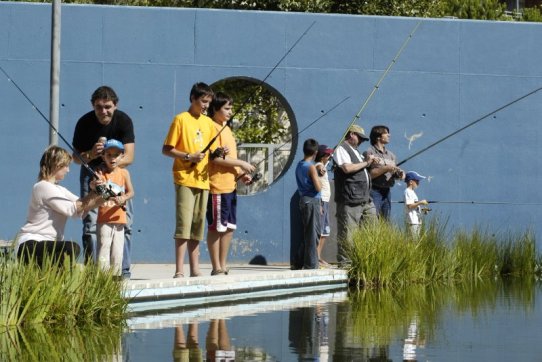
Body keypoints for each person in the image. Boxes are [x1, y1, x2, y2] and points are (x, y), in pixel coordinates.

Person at [72, 86, 135, 279]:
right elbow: (76, 158)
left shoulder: (123, 120)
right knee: (90, 223)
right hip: (92, 173)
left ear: (115, 105)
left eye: (108, 106)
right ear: (93, 106)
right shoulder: (84, 122)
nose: (103, 111)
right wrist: (92, 154)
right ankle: (94, 272)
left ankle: (122, 271)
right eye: (99, 107)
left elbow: (129, 156)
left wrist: (109, 162)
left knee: (123, 223)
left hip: (116, 174)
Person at [16, 146, 106, 266]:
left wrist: (105, 194)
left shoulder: (59, 189)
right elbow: (74, 208)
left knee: (68, 250)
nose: (68, 170)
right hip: (31, 244)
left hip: (49, 244)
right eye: (66, 166)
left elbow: (85, 205)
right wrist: (94, 192)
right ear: (57, 165)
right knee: (71, 248)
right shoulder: (43, 186)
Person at [162, 82, 217, 278]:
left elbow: (213, 152)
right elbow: (166, 149)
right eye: (203, 101)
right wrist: (188, 156)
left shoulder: (209, 123)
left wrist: (220, 152)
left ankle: (195, 269)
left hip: (203, 180)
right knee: (183, 224)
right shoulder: (180, 119)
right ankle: (179, 270)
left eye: (208, 103)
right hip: (185, 178)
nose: (205, 106)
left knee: (197, 225)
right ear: (192, 99)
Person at [206, 92, 255, 276]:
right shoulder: (211, 127)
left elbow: (229, 158)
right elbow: (216, 159)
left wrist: (240, 174)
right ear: (215, 109)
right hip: (217, 186)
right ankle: (216, 266)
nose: (230, 111)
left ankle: (223, 265)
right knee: (216, 227)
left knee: (228, 228)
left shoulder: (226, 128)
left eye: (231, 107)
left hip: (230, 186)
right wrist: (241, 163)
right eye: (226, 108)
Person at [333, 124, 378, 266]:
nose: (361, 141)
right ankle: (346, 264)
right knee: (348, 234)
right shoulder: (341, 149)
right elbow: (347, 168)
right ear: (352, 134)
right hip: (350, 199)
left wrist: (369, 162)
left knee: (373, 230)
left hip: (366, 199)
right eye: (360, 138)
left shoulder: (356, 151)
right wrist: (366, 163)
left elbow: (361, 170)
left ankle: (366, 261)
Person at [95, 139, 135, 277]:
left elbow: (131, 192)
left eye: (116, 155)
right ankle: (102, 278)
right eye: (109, 154)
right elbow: (99, 191)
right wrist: (97, 183)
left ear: (122, 156)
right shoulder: (100, 173)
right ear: (103, 156)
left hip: (120, 219)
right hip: (104, 219)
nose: (112, 158)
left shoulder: (124, 173)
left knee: (118, 251)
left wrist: (123, 198)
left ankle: (115, 279)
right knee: (103, 249)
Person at [365, 125, 404, 220]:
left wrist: (399, 174)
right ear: (378, 137)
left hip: (387, 192)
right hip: (374, 191)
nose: (389, 135)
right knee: (373, 220)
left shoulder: (391, 155)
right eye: (386, 133)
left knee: (385, 221)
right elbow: (369, 175)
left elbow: (396, 175)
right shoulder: (369, 153)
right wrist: (386, 168)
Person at [293, 138, 322, 270]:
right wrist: (319, 176)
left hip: (304, 200)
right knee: (313, 234)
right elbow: (318, 187)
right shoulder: (311, 167)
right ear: (315, 152)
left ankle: (298, 262)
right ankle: (311, 265)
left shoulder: (300, 164)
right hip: (312, 202)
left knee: (308, 232)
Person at [314, 144, 333, 268]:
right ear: (322, 156)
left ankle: (318, 257)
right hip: (321, 201)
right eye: (327, 154)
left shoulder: (323, 164)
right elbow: (320, 169)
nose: (329, 156)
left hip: (325, 201)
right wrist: (322, 168)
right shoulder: (318, 166)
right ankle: (316, 258)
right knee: (320, 231)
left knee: (325, 231)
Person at [404, 171, 429, 237]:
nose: (418, 183)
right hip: (412, 221)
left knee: (416, 240)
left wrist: (422, 210)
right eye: (417, 181)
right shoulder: (407, 191)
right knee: (413, 241)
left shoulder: (412, 192)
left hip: (416, 221)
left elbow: (414, 205)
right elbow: (409, 206)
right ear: (411, 182)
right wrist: (421, 202)